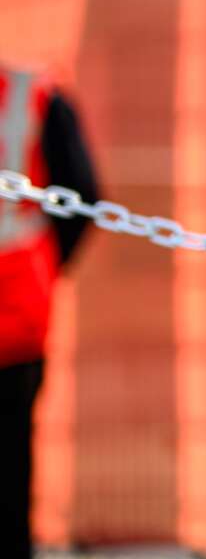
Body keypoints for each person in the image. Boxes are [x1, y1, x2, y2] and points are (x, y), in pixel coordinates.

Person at [0, 65, 97, 559]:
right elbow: (83, 192)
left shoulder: (35, 97)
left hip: (15, 317)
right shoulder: (34, 97)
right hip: (17, 315)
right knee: (11, 461)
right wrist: (43, 264)